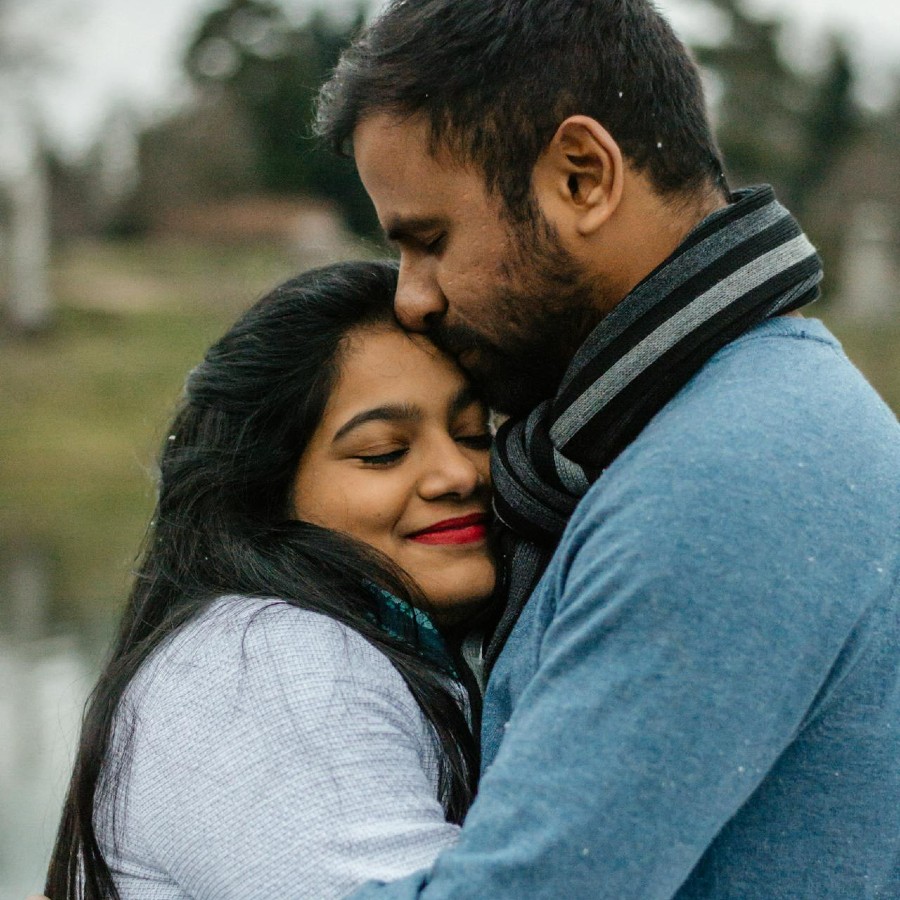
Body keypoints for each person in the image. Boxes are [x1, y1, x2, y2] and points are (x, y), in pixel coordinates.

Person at [314, 0, 900, 896]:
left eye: (430, 241)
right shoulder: (731, 417)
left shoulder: (725, 480)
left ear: (582, 176)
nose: (412, 299)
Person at [43, 260, 498, 900]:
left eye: (473, 434)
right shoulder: (267, 660)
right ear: (268, 491)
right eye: (383, 453)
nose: (458, 473)